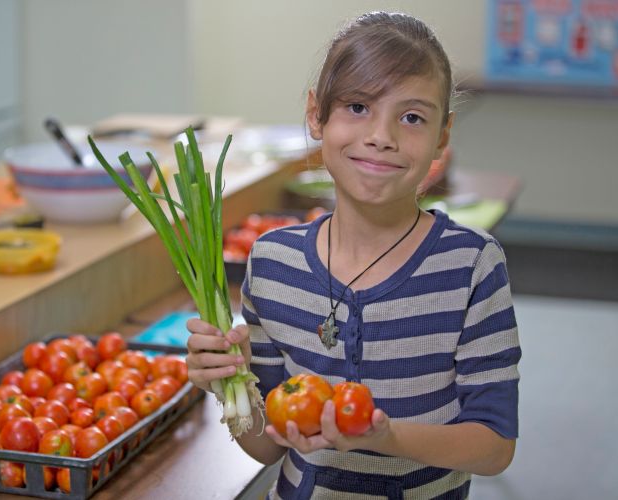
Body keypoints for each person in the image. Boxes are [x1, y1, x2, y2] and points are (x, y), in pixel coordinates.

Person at [186, 11, 521, 499]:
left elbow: (494, 447)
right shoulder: (273, 262)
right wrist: (226, 384)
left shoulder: (471, 265)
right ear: (315, 115)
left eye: (411, 117)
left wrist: (386, 437)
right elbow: (269, 448)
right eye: (358, 106)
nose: (381, 136)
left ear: (441, 136)